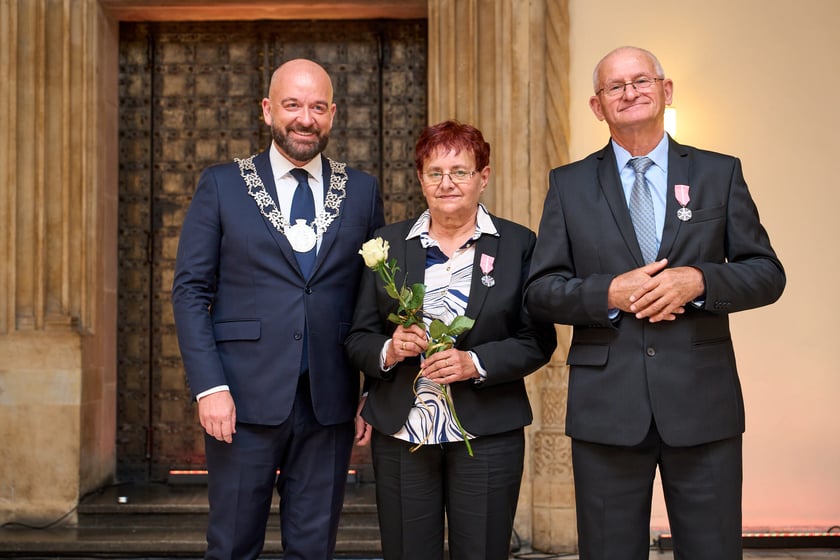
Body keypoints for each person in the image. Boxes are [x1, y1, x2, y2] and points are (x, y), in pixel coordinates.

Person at [523, 46, 785, 559]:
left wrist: (700, 281)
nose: (630, 92)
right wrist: (608, 294)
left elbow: (767, 274)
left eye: (641, 80)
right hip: (607, 408)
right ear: (597, 107)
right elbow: (540, 290)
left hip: (702, 403)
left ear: (666, 92)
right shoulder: (569, 184)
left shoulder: (719, 173)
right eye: (614, 87)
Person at [171, 58, 385, 560]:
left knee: (314, 549)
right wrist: (210, 387)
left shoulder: (361, 190)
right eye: (292, 105)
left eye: (316, 107)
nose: (304, 119)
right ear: (268, 110)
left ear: (332, 114)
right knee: (232, 546)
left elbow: (372, 299)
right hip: (240, 402)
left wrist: (372, 390)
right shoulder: (222, 185)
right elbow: (190, 291)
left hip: (330, 403)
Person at [345, 120, 557, 560]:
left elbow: (537, 339)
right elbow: (357, 337)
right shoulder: (386, 245)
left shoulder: (518, 245)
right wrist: (388, 349)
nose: (447, 183)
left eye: (460, 171)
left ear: (484, 176)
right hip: (404, 430)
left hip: (488, 431)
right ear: (420, 179)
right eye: (435, 172)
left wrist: (475, 362)